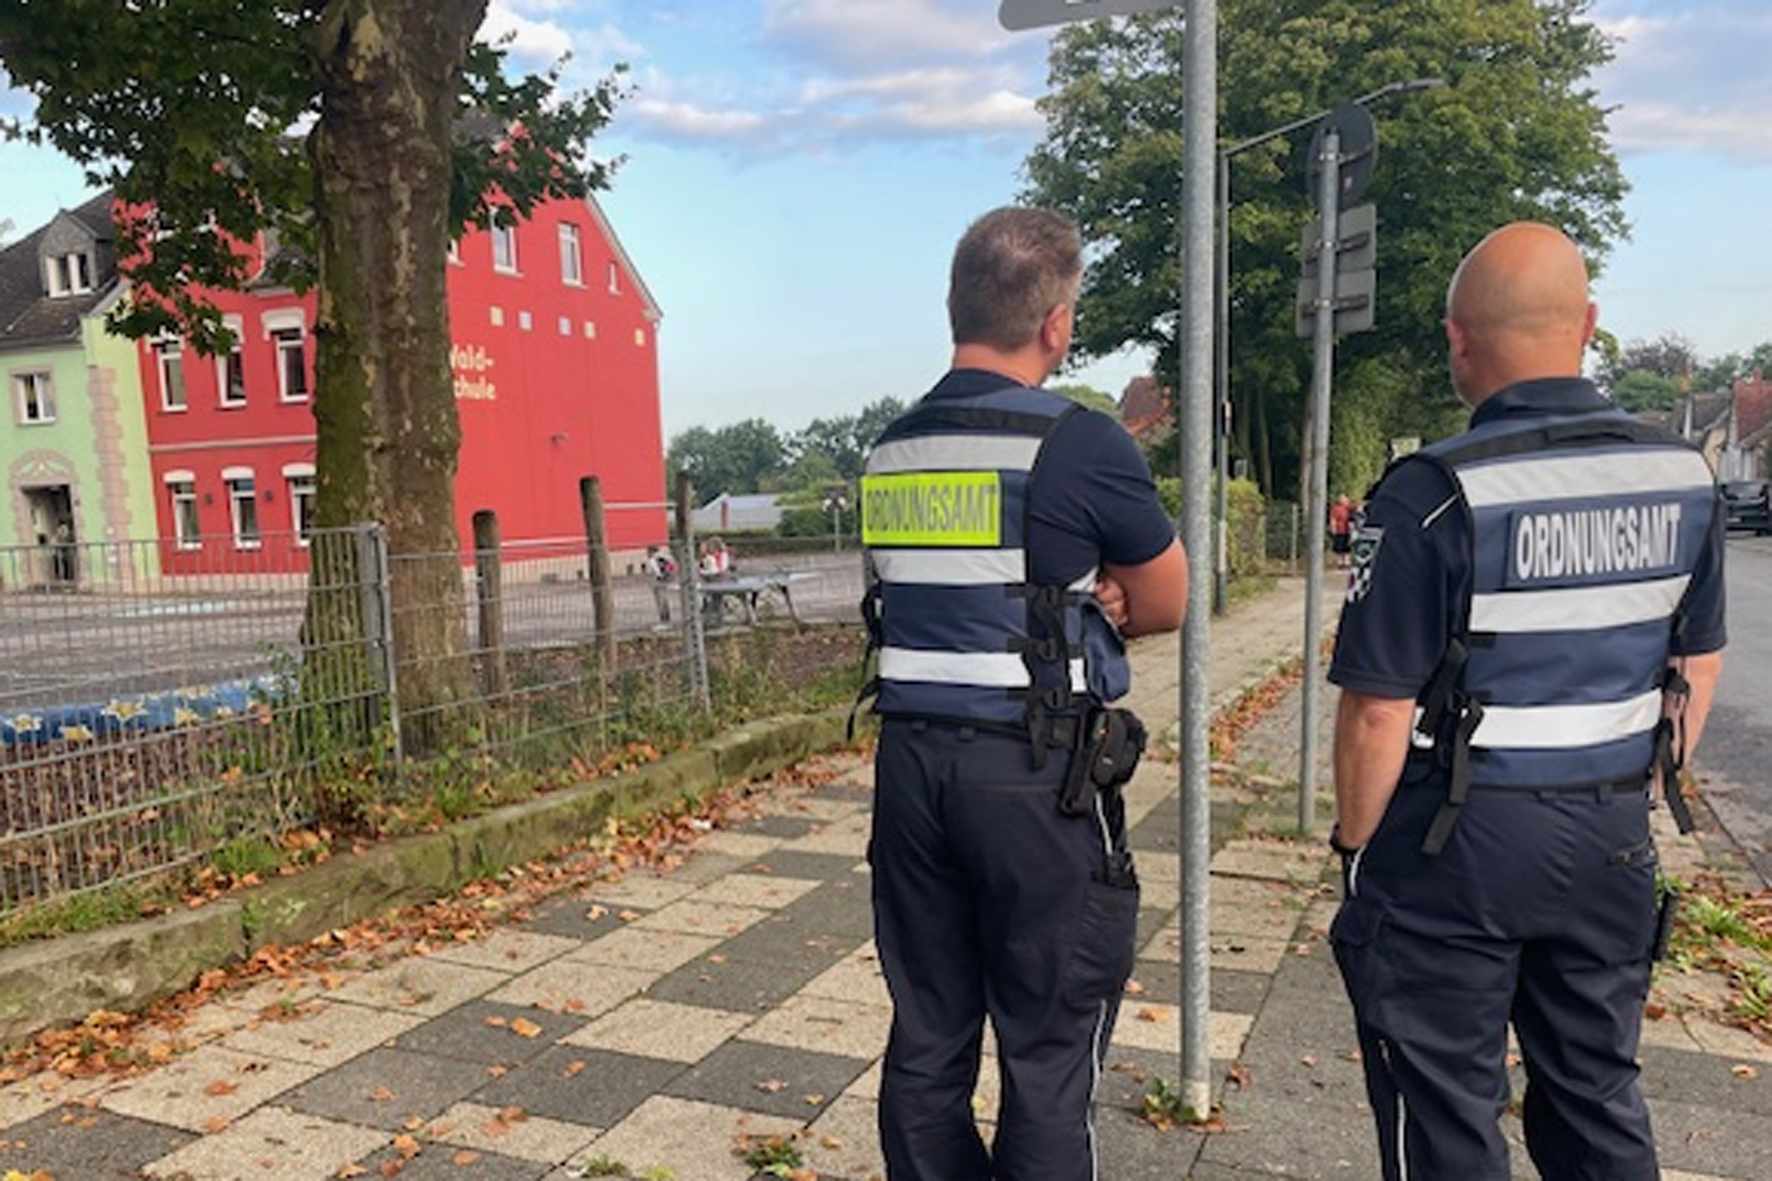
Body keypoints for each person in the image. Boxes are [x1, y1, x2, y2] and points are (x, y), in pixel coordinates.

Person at [1327, 221, 1727, 1181]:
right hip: (1609, 835)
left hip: (1453, 846)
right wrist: (1632, 789)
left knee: (1445, 1103)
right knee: (1595, 1091)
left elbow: (1378, 709)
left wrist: (1355, 847)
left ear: (1457, 337)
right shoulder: (1685, 478)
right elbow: (1697, 665)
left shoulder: (1431, 493)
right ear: (1587, 324)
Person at [857, 206, 1187, 1181]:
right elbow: (1166, 598)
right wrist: (1094, 599)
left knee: (927, 1031)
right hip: (1034, 774)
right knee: (1046, 1050)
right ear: (1055, 323)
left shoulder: (890, 448)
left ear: (955, 307)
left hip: (911, 769)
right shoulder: (1080, 442)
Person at [644, 544, 676, 624]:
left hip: (657, 581)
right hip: (665, 580)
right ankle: (667, 617)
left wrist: (659, 576)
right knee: (664, 599)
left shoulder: (652, 560)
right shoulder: (664, 557)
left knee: (659, 600)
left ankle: (663, 618)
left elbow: (655, 570)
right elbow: (672, 565)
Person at [1328, 492, 1354, 568]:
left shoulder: (1349, 508)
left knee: (1347, 546)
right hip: (1339, 530)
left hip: (1348, 530)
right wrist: (1333, 528)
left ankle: (1346, 562)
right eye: (1340, 498)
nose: (1342, 499)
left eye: (1343, 498)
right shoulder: (1336, 508)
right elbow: (1333, 519)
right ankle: (1340, 562)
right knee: (1339, 547)